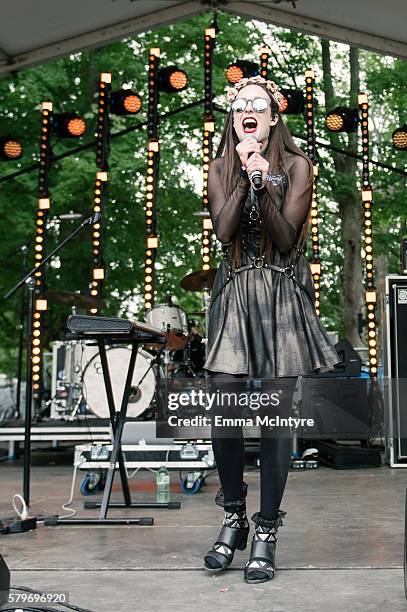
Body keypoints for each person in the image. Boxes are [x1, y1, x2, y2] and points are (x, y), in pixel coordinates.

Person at [202, 75, 341, 584]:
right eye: (241, 105)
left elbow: (285, 239)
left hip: (282, 294)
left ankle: (266, 529)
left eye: (258, 104)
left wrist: (266, 179)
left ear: (273, 118)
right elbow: (223, 231)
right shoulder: (219, 167)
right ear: (234, 119)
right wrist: (243, 177)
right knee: (226, 403)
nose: (248, 109)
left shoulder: (299, 166)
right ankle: (234, 515)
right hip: (236, 293)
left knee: (278, 414)